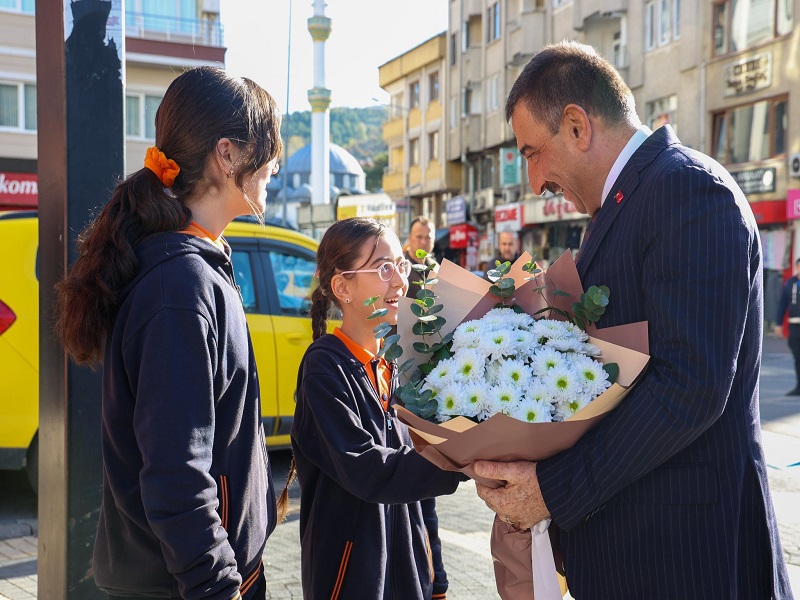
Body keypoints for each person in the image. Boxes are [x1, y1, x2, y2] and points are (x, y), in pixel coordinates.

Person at [473, 41, 791, 598]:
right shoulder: (622, 206)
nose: (534, 182)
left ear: (576, 126)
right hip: (639, 555)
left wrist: (553, 488)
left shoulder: (689, 191)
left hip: (688, 559)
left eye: (531, 153)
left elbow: (689, 386)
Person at [55, 66, 283, 600]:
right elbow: (177, 476)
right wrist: (218, 586)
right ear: (227, 155)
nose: (274, 165)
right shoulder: (178, 287)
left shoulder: (190, 264)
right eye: (268, 148)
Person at [290, 217, 463, 599]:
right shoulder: (324, 369)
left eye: (401, 266)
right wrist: (464, 459)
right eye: (384, 268)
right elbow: (371, 471)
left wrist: (437, 580)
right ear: (342, 287)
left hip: (410, 575)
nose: (400, 281)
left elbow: (421, 492)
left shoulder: (397, 363)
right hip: (352, 580)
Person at [774, 257, 800, 395]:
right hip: (794, 325)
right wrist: (778, 323)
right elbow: (782, 304)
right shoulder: (790, 283)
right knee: (797, 357)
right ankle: (799, 387)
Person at [405, 215, 439, 301]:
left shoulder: (436, 268)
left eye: (428, 237)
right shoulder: (400, 266)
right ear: (410, 238)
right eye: (419, 237)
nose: (423, 242)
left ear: (434, 240)